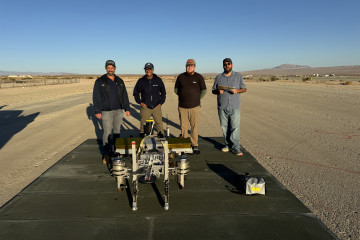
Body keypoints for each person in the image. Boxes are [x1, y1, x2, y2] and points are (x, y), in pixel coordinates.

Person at [93, 60, 131, 164]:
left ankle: (117, 151)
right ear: (106, 68)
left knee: (117, 131)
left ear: (115, 68)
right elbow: (96, 97)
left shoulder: (119, 80)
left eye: (112, 67)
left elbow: (124, 95)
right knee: (107, 132)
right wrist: (97, 110)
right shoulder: (100, 81)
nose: (110, 69)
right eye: (108, 67)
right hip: (106, 111)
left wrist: (127, 108)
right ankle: (107, 154)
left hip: (118, 110)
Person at [212, 58, 247, 156]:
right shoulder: (219, 77)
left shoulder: (238, 76)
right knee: (224, 127)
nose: (226, 65)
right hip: (222, 106)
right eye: (225, 64)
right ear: (223, 65)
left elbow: (244, 88)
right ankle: (227, 145)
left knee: (235, 128)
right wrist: (218, 91)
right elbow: (213, 90)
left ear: (232, 65)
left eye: (228, 64)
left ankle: (236, 147)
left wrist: (237, 91)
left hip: (234, 106)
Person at [174, 59, 207, 151]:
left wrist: (197, 98)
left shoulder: (199, 77)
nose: (189, 67)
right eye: (188, 66)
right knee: (183, 127)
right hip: (182, 107)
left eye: (191, 66)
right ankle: (184, 143)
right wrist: (184, 96)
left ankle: (194, 144)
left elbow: (204, 90)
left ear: (194, 67)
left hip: (195, 107)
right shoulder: (180, 77)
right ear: (186, 67)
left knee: (194, 126)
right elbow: (176, 90)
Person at [133, 62, 166, 137]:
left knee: (159, 123)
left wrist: (160, 103)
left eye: (150, 69)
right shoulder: (141, 81)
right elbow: (135, 93)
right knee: (143, 124)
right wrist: (140, 103)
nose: (148, 71)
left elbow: (163, 93)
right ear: (145, 70)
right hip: (145, 107)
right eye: (146, 69)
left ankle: (161, 137)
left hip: (156, 107)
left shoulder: (158, 80)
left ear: (153, 70)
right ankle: (142, 138)